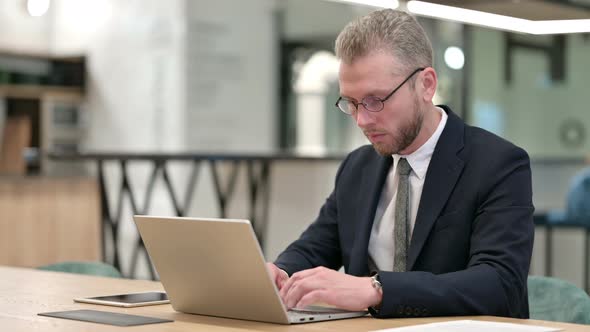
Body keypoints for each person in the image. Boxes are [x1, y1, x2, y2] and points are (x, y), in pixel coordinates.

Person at [266, 9, 534, 319]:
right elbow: (315, 247)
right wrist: (279, 271)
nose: (362, 120)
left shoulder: (497, 164)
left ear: (426, 85)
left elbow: (499, 285)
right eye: (351, 103)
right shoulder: (358, 167)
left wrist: (376, 289)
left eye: (375, 100)